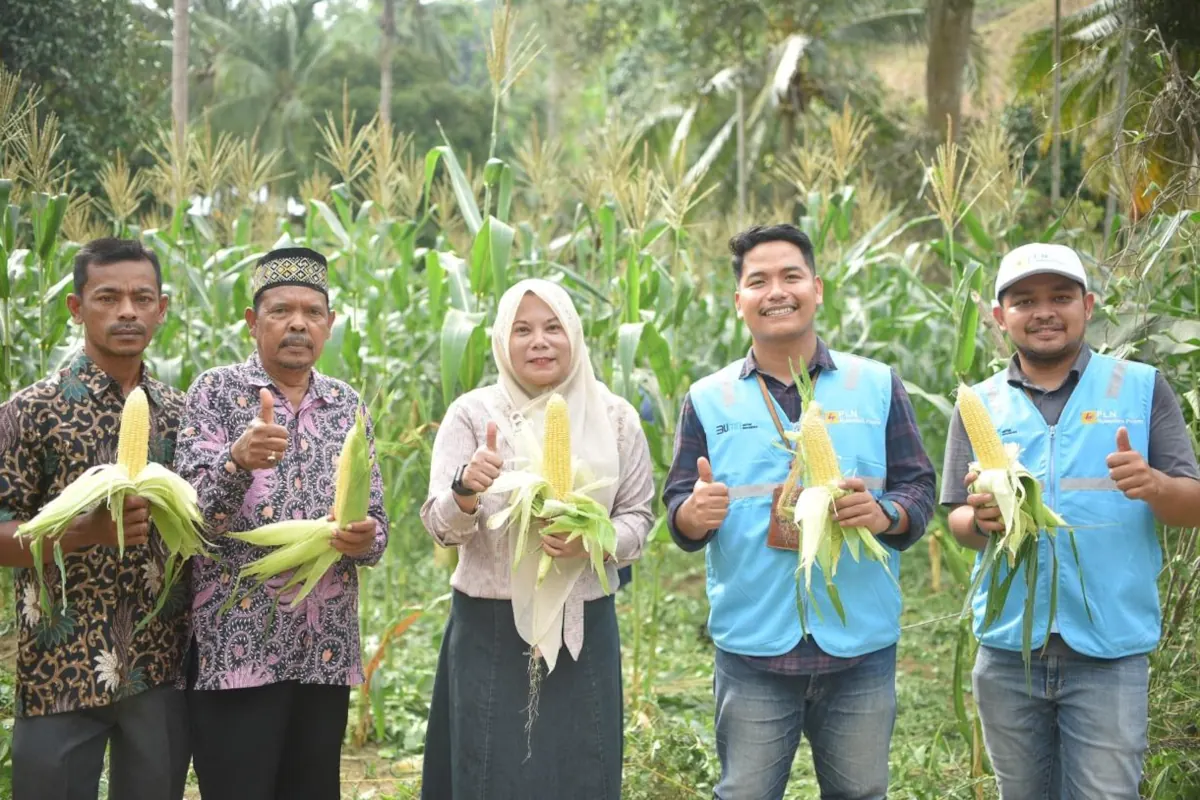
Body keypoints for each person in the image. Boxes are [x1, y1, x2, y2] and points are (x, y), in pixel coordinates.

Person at [662, 224, 937, 800]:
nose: (776, 291)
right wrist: (696, 513)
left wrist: (885, 515)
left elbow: (917, 486)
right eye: (757, 281)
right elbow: (679, 511)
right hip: (754, 645)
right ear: (739, 301)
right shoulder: (708, 397)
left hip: (858, 646)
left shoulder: (876, 384)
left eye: (790, 276)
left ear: (817, 288)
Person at [941, 243, 1200, 799]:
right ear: (998, 316)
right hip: (1010, 653)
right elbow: (955, 520)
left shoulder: (1141, 387)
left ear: (1087, 304)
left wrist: (1154, 486)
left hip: (1108, 652)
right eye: (1024, 300)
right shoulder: (977, 404)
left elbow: (1193, 506)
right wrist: (979, 520)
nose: (1044, 312)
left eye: (1060, 297)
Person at [419, 278, 654, 800]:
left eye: (553, 327)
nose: (539, 341)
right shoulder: (473, 415)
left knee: (580, 773)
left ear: (574, 335)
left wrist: (594, 540)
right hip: (491, 629)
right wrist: (465, 492)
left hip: (584, 628)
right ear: (503, 342)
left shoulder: (615, 418)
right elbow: (439, 525)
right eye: (522, 330)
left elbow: (639, 520)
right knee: (490, 774)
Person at [174, 246, 389, 799]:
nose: (298, 323)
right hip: (237, 648)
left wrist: (364, 538)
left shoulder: (346, 404)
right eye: (280, 310)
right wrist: (236, 463)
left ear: (330, 324)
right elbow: (191, 524)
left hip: (325, 649)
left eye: (312, 312)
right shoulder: (216, 393)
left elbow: (377, 526)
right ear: (252, 322)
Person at [0, 238, 190, 800]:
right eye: (108, 297)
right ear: (76, 308)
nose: (127, 311)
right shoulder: (31, 412)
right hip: (59, 666)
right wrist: (84, 533)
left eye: (142, 297)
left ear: (161, 308)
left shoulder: (182, 414)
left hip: (157, 664)